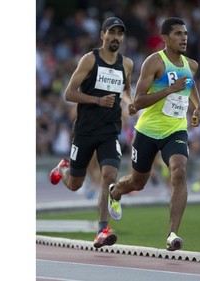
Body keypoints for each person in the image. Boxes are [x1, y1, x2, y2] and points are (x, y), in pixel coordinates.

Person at [108, 17, 200, 251]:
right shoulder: (154, 62)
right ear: (165, 38)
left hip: (176, 130)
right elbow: (138, 101)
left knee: (179, 172)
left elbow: (190, 85)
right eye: (178, 34)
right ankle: (116, 191)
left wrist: (198, 106)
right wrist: (170, 89)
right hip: (148, 131)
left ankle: (172, 234)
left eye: (186, 34)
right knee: (137, 183)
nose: (184, 38)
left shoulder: (191, 65)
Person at [49, 17, 137, 248]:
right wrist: (97, 100)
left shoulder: (126, 63)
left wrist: (130, 101)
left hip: (110, 130)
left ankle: (101, 230)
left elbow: (126, 89)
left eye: (120, 33)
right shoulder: (90, 59)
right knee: (76, 183)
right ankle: (62, 168)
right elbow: (69, 93)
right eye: (112, 32)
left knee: (109, 175)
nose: (116, 37)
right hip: (85, 130)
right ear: (102, 35)